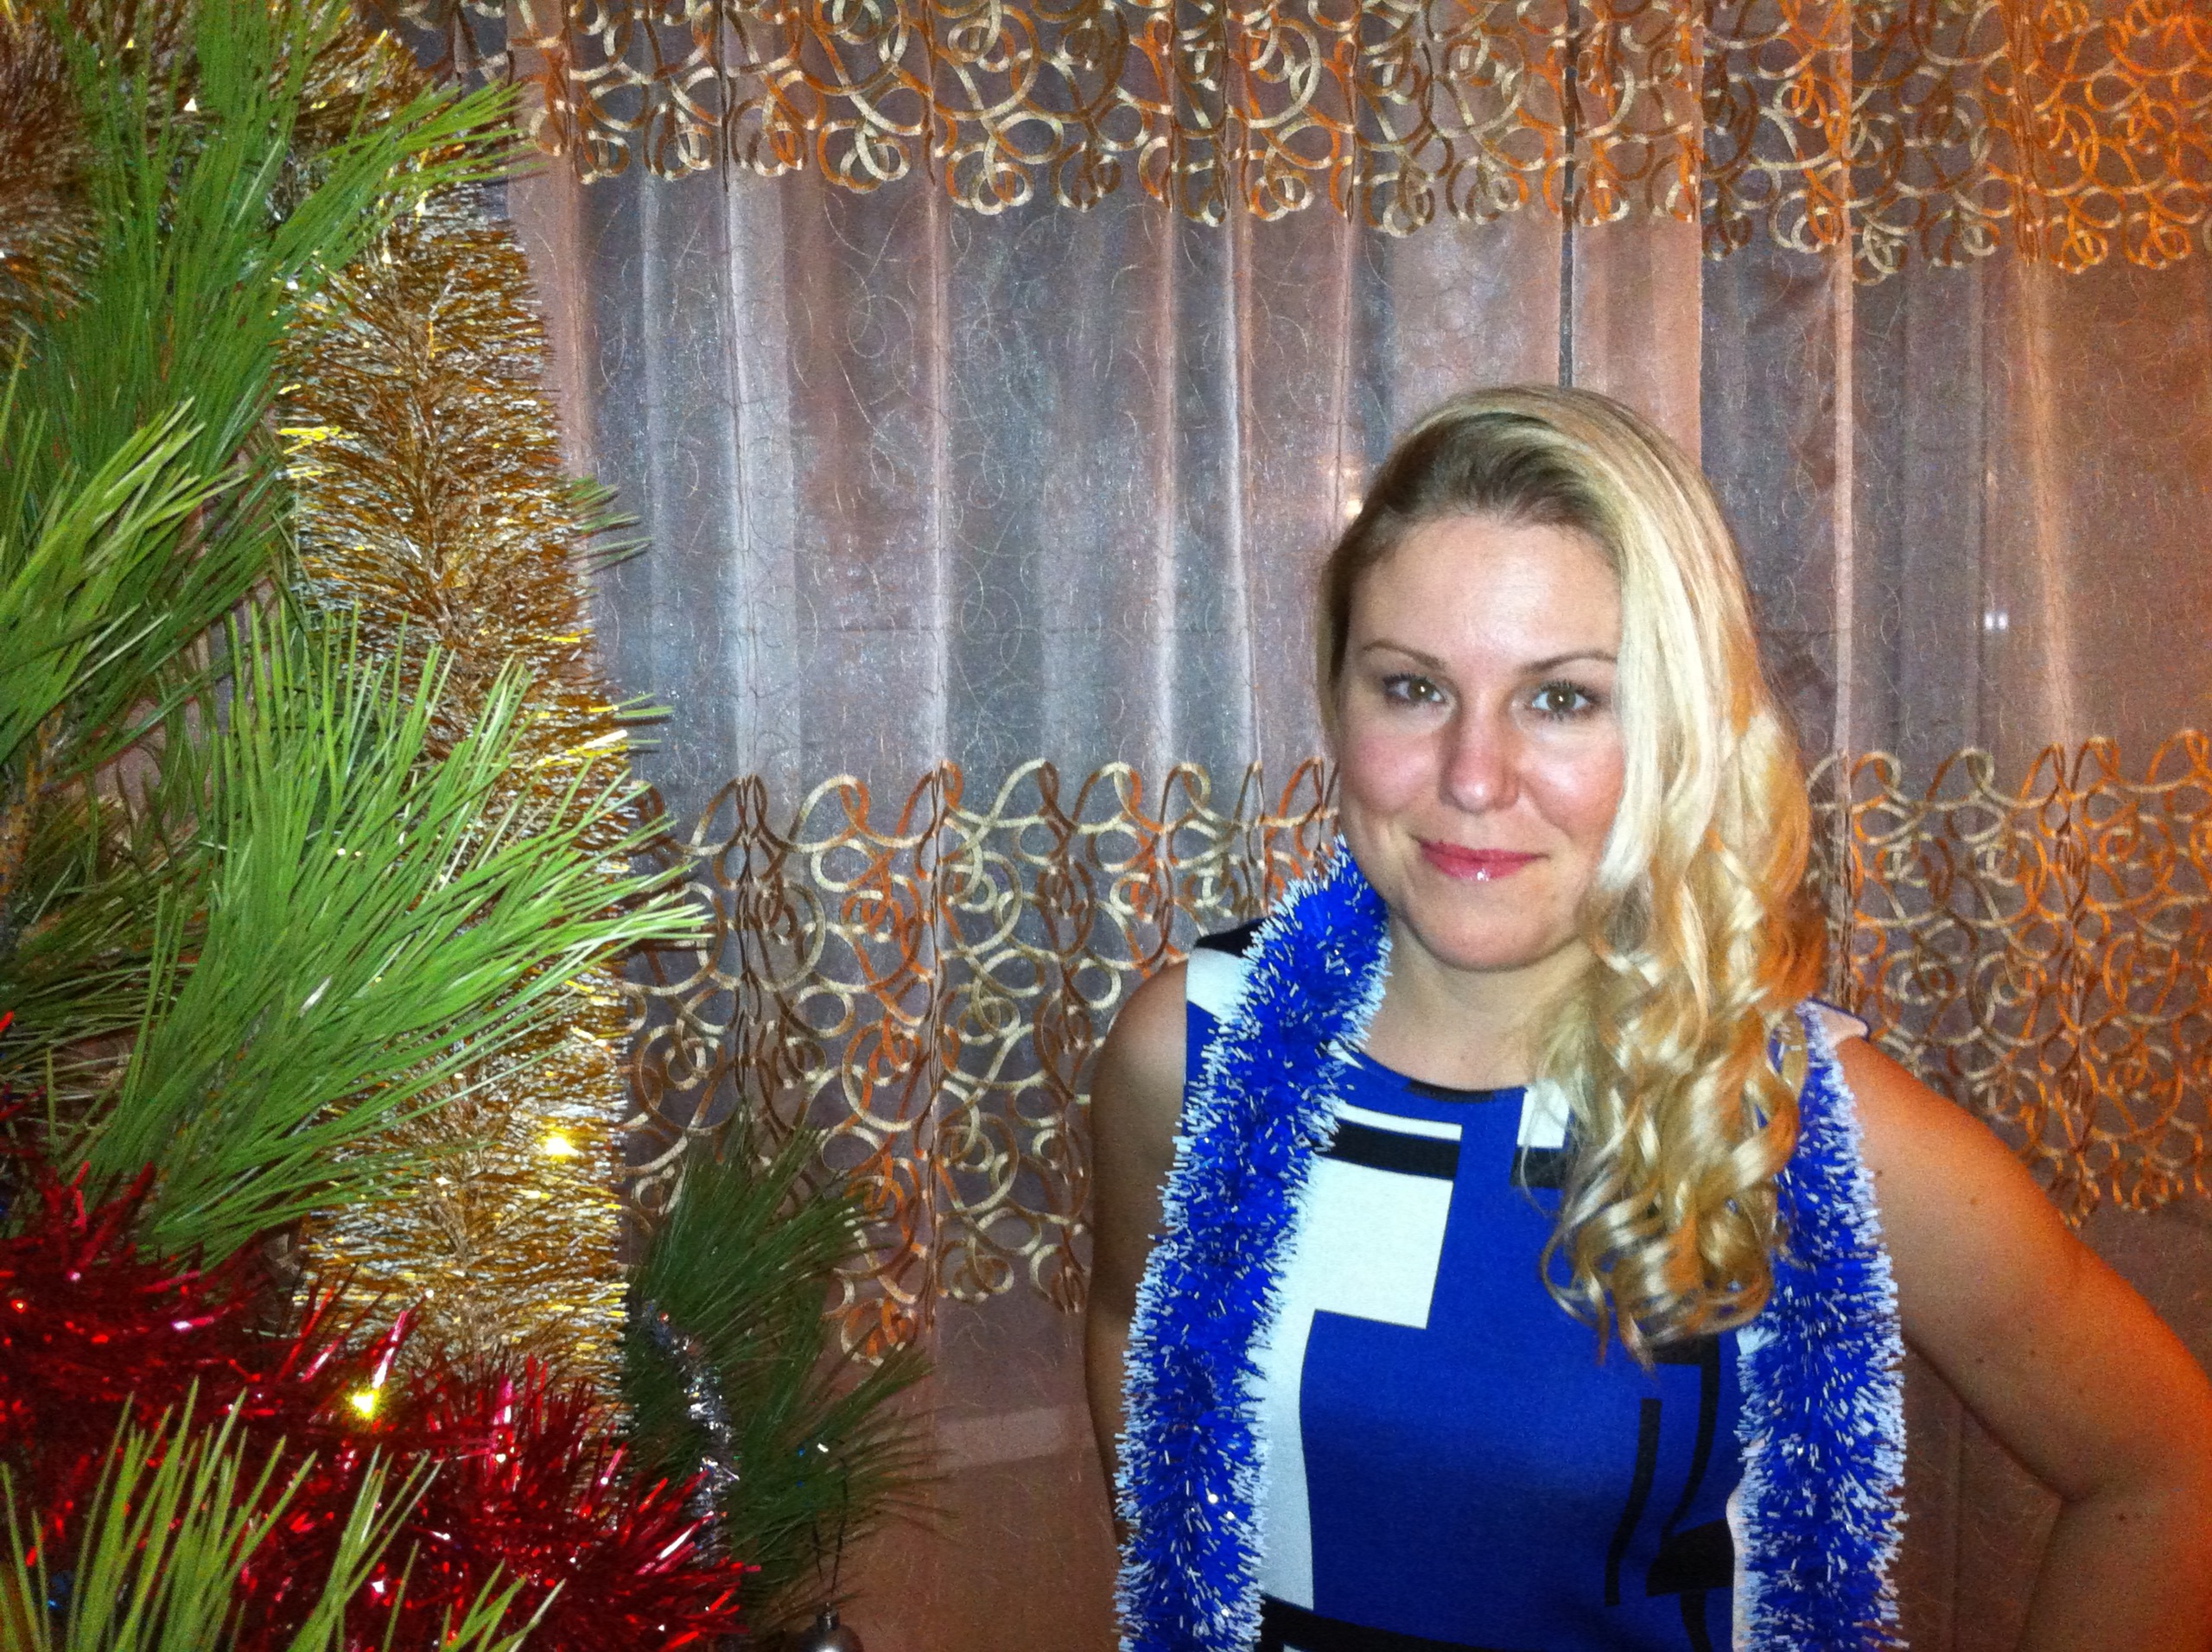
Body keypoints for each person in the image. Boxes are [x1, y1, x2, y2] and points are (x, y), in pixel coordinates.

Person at [1083, 385, 2212, 1652]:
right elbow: (1132, 1331)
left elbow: (2162, 1469)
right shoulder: (1188, 1053)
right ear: (1337, 700)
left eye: (1563, 698)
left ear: (1681, 728)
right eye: (1411, 687)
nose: (1472, 777)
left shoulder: (1807, 1127)